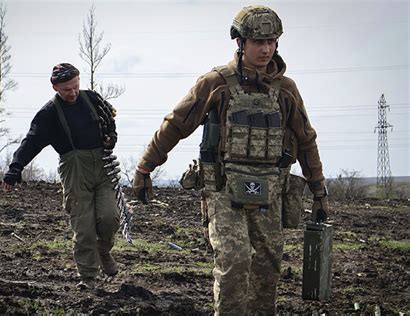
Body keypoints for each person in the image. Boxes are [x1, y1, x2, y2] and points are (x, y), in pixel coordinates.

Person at [132, 5, 329, 315]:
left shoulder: (286, 90)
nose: (265, 49)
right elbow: (176, 124)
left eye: (271, 42)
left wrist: (319, 191)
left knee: (268, 265)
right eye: (258, 42)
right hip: (224, 189)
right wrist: (146, 167)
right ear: (240, 43)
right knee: (235, 261)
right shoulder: (216, 83)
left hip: (270, 192)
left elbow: (306, 140)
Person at [2, 63, 121, 290]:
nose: (73, 92)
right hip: (75, 170)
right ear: (56, 87)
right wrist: (15, 168)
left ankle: (102, 251)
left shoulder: (93, 99)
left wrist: (111, 137)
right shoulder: (48, 114)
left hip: (103, 166)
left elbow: (110, 123)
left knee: (109, 218)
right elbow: (32, 141)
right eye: (67, 89)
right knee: (84, 227)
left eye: (76, 86)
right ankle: (88, 278)